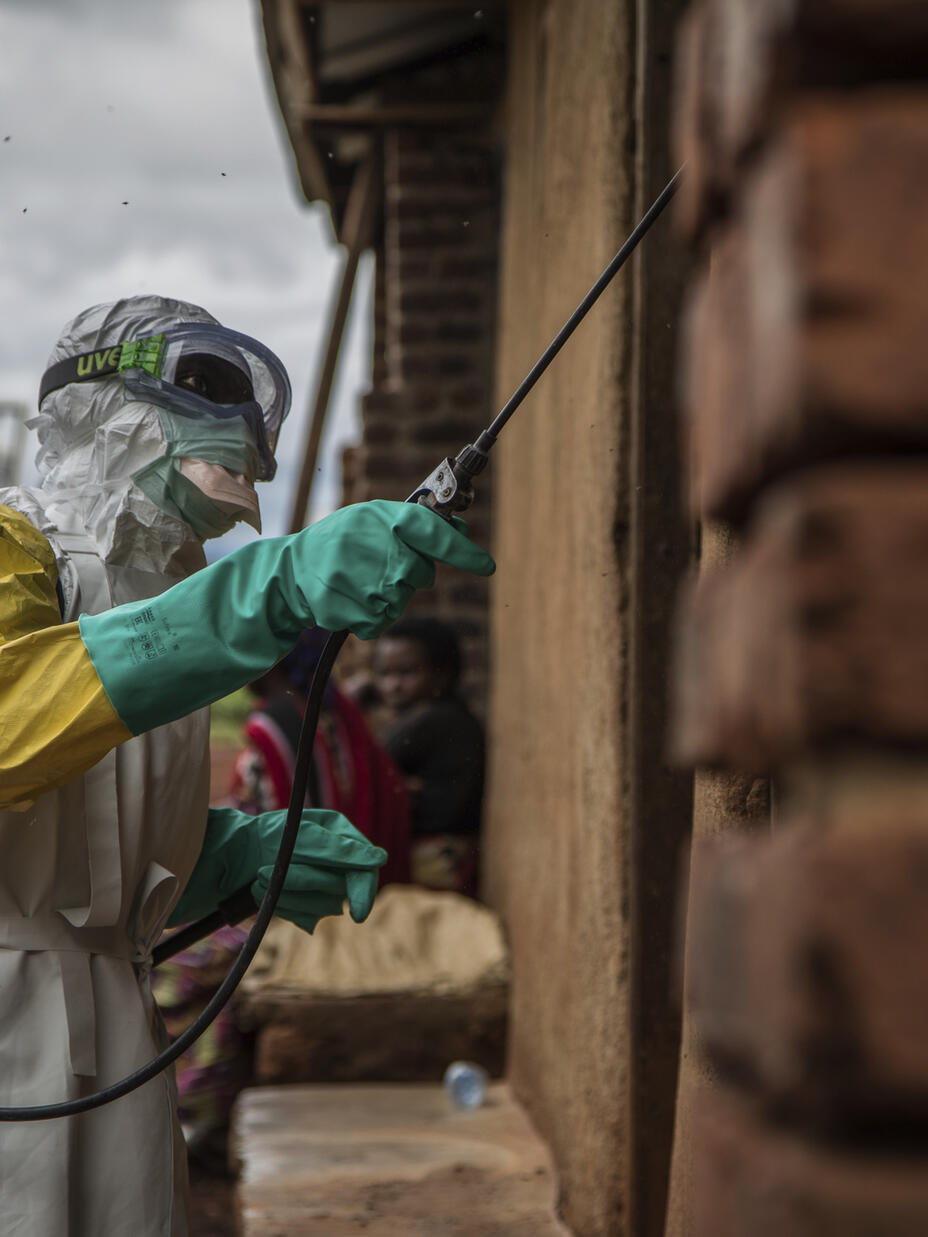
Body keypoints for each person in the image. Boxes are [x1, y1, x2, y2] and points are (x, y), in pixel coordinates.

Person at [0, 294, 494, 1235]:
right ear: (106, 403)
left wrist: (214, 860)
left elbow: (74, 839)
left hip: (117, 1026)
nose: (239, 431)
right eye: (208, 388)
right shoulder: (15, 540)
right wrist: (258, 594)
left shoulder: (165, 604)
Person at [154, 629, 410, 1172]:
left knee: (173, 964)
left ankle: (197, 1117)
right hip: (341, 876)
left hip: (284, 890)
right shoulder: (333, 711)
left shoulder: (271, 728)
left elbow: (262, 831)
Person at [373, 616, 485, 895]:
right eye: (384, 674)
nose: (393, 686)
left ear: (442, 676)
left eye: (407, 673)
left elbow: (371, 763)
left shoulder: (435, 720)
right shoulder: (449, 715)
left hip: (437, 860)